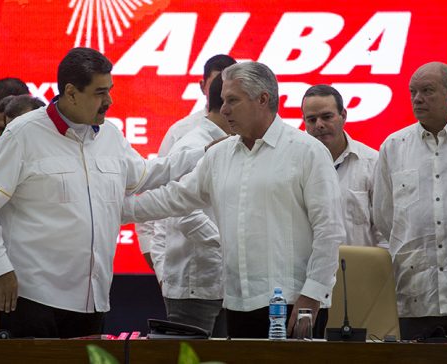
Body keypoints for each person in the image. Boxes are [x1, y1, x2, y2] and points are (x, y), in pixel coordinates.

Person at [0, 47, 204, 339]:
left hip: (94, 299)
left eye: (110, 90)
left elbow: (145, 176)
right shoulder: (22, 135)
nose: (109, 101)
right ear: (71, 93)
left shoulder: (111, 136)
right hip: (33, 298)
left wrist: (203, 153)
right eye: (100, 93)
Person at [123, 62, 345, 339]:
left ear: (263, 99)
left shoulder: (307, 151)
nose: (223, 109)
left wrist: (312, 295)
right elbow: (174, 198)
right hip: (237, 303)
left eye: (232, 100)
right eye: (222, 101)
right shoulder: (220, 154)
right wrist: (113, 211)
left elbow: (330, 230)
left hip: (293, 303)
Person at [373, 62, 447, 341]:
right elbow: (385, 219)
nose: (417, 99)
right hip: (417, 294)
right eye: (413, 92)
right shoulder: (394, 147)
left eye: (427, 91)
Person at [136, 54, 237, 268]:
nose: (223, 92)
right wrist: (161, 271)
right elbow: (166, 201)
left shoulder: (242, 137)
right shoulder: (183, 134)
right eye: (219, 85)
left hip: (226, 277)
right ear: (203, 86)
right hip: (194, 275)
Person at [150, 74, 230, 334]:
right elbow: (184, 212)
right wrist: (230, 246)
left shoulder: (232, 144)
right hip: (196, 287)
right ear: (227, 104)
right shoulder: (193, 145)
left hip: (225, 284)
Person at [302, 84, 384, 247]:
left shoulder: (372, 163)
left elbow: (385, 232)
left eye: (326, 117)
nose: (319, 124)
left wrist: (379, 270)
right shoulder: (294, 165)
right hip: (309, 270)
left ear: (343, 115)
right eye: (312, 119)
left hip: (360, 270)